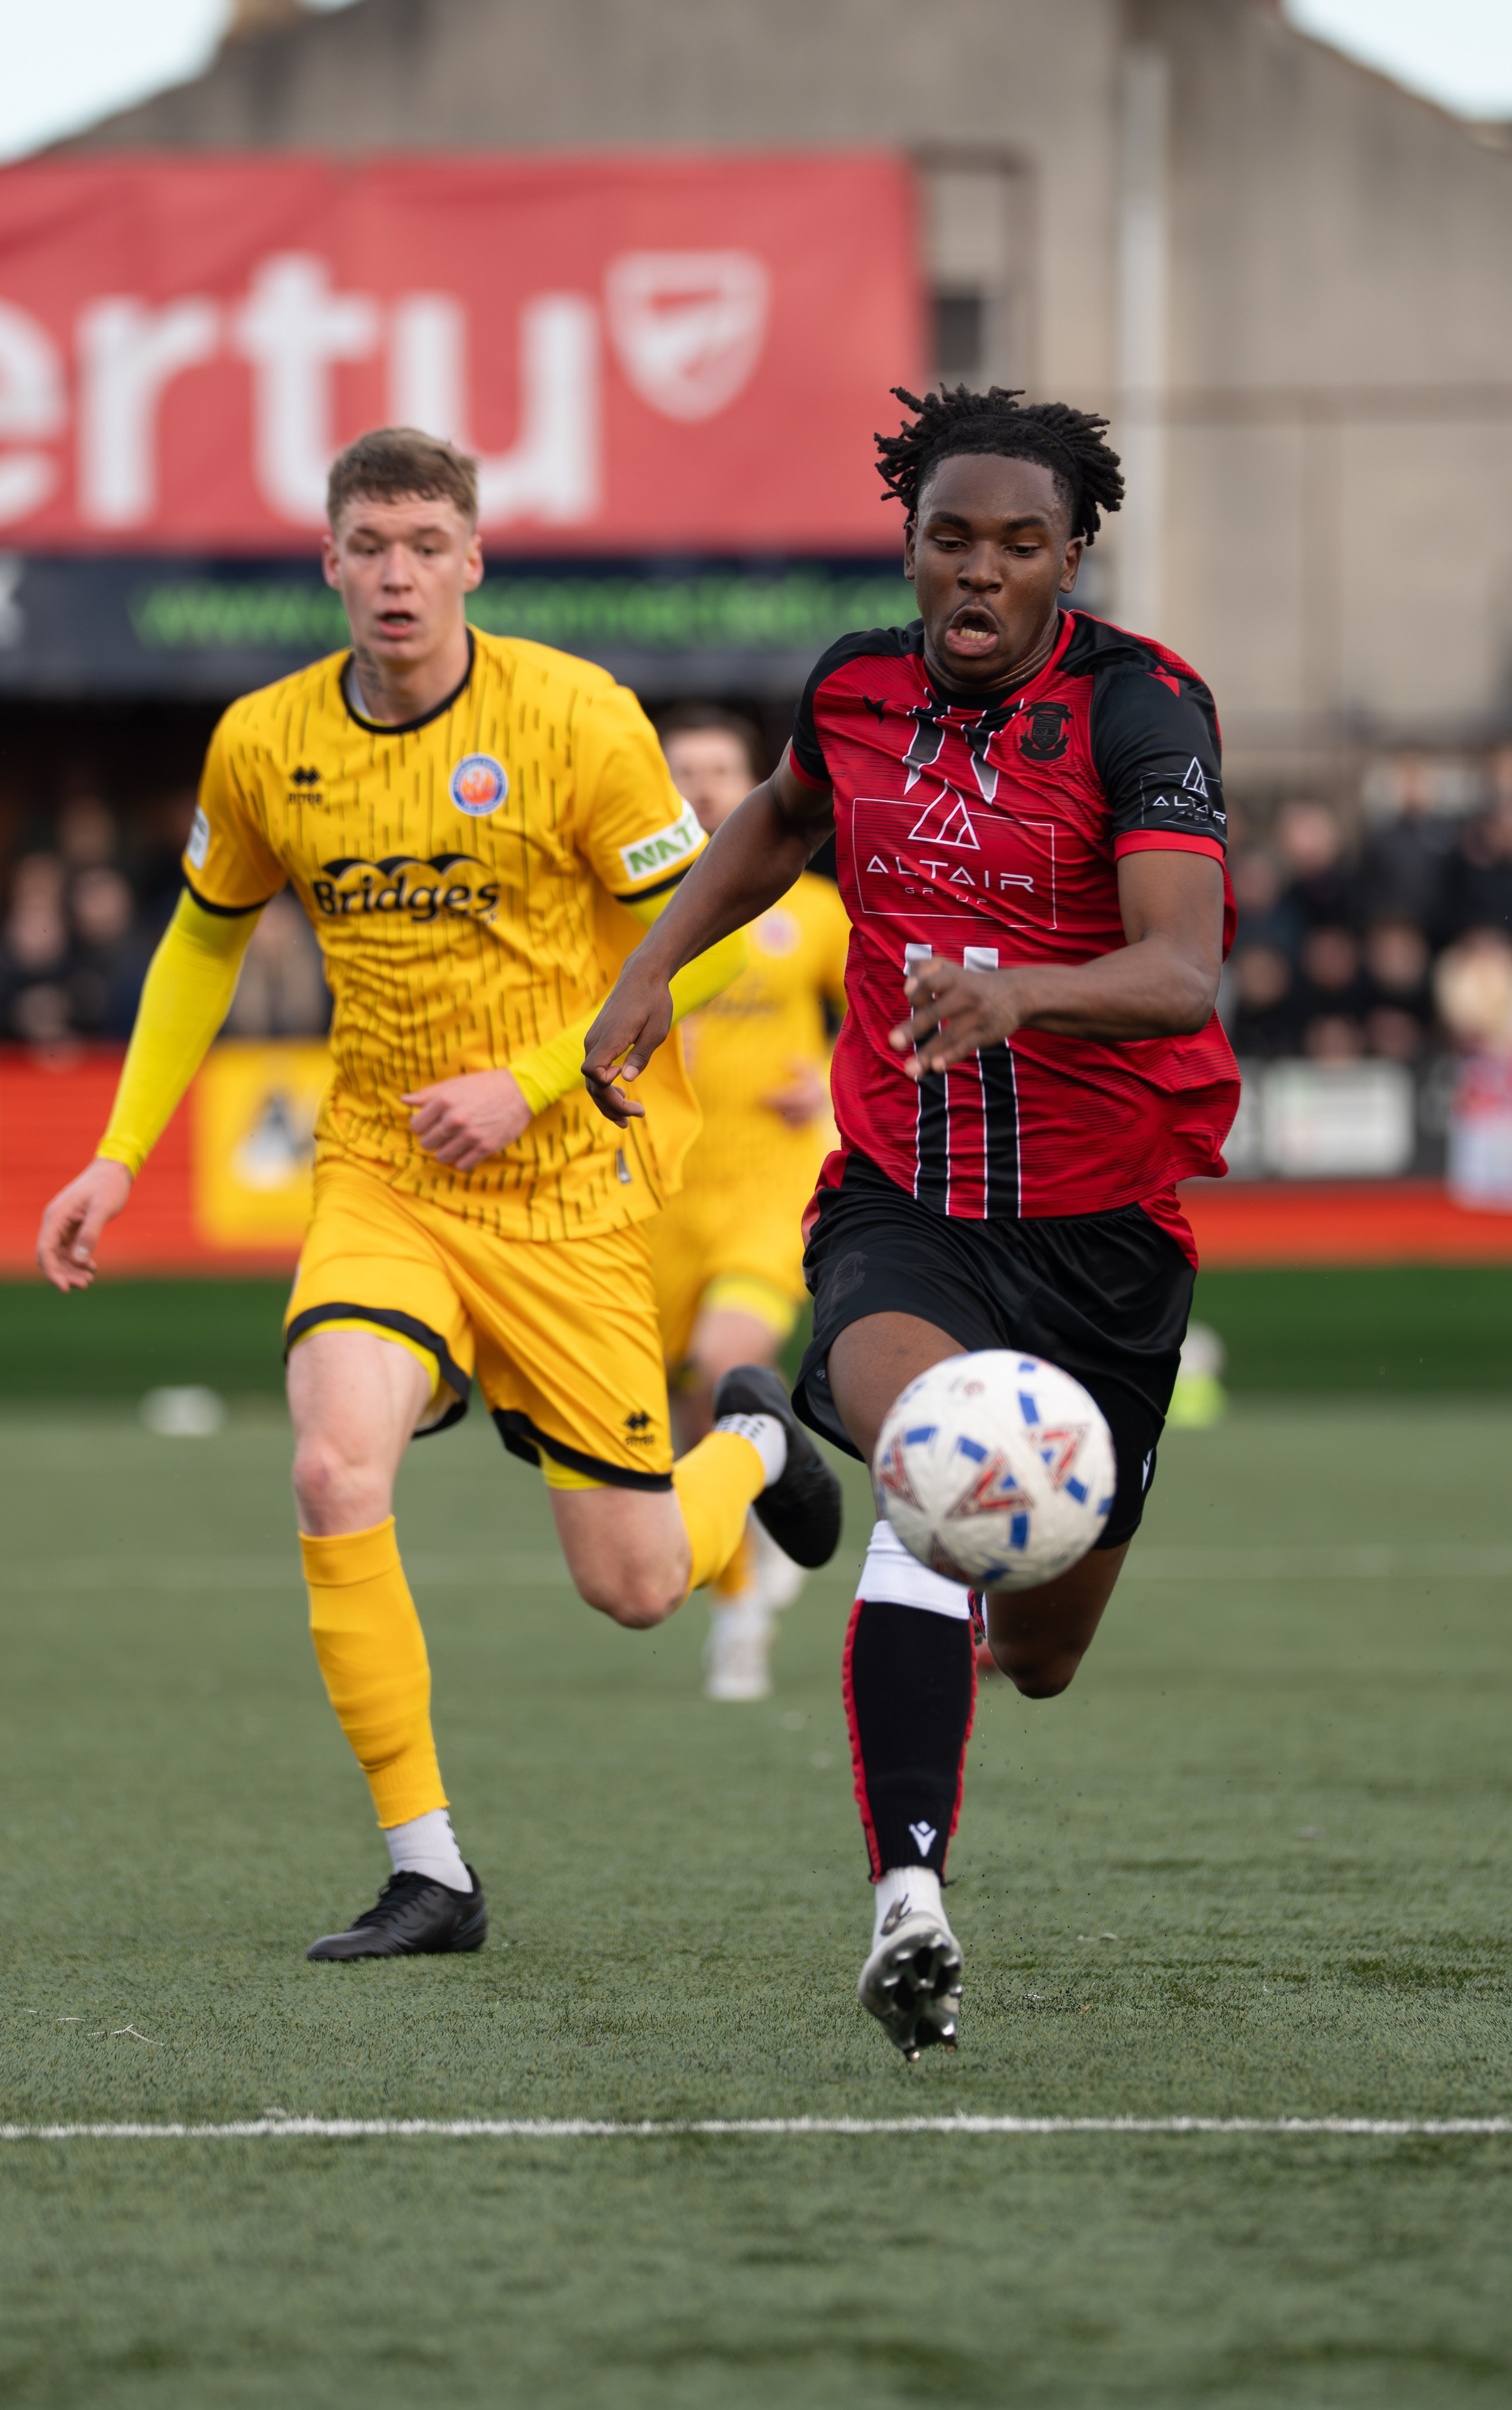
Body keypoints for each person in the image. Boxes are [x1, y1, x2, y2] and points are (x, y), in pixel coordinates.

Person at [36, 426, 840, 1963]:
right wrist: (121, 1151)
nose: (396, 574)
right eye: (369, 545)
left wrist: (533, 1078)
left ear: (474, 558)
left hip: (565, 1185)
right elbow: (205, 939)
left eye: (424, 544)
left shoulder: (575, 718)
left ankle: (745, 1443)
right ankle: (431, 1871)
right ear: (327, 561)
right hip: (381, 1177)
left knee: (635, 1584)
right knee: (336, 1473)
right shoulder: (263, 743)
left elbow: (719, 931)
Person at [585, 383, 1236, 2060]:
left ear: (1070, 560)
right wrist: (652, 972)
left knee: (1043, 1648)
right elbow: (779, 821)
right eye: (950, 538)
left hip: (1107, 1239)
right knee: (938, 1467)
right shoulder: (852, 689)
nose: (977, 572)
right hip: (905, 1202)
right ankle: (910, 1909)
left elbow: (1181, 969)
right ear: (911, 544)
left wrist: (1016, 995)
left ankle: (792, 1476)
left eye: (1019, 545)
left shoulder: (1146, 712)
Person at [650, 702, 851, 1700]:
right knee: (679, 1421)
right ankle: (746, 1544)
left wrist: (830, 1077)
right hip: (654, 1198)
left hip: (768, 1184)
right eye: (680, 770)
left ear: (751, 784)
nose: (700, 786)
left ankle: (738, 1626)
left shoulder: (808, 911)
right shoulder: (622, 911)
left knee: (726, 1365)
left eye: (720, 770)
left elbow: (893, 1015)